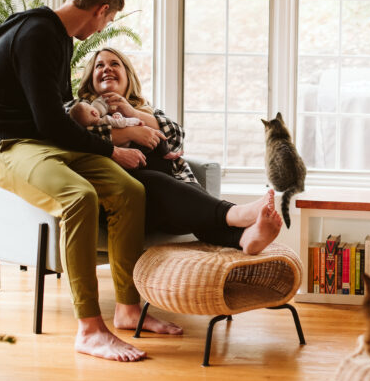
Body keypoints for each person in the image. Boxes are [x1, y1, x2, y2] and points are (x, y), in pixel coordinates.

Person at [0, 0, 181, 363]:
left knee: (130, 190)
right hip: (4, 144)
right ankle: (89, 329)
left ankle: (128, 307)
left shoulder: (58, 39)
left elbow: (60, 116)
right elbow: (51, 123)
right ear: (101, 11)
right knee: (78, 196)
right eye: (110, 20)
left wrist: (94, 117)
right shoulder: (37, 34)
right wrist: (112, 151)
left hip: (43, 142)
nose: (106, 27)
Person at [64, 47, 282, 254]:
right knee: (155, 182)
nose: (107, 68)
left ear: (128, 76)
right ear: (90, 77)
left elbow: (177, 138)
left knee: (187, 196)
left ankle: (244, 238)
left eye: (114, 64)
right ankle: (235, 213)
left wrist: (134, 113)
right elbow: (74, 138)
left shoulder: (146, 110)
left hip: (170, 196)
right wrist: (130, 134)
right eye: (99, 65)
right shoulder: (76, 109)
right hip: (123, 199)